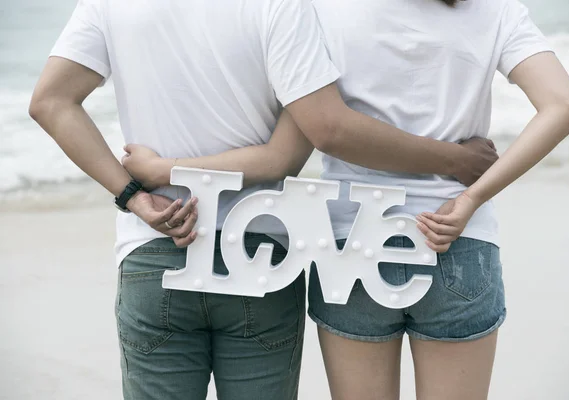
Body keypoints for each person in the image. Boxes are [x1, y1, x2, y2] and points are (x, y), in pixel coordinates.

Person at [29, 0, 498, 399]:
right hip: (259, 257)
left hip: (156, 251)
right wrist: (453, 159)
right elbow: (287, 155)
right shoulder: (283, 6)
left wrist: (135, 193)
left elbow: (50, 102)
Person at [119, 0, 569, 399]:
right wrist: (474, 193)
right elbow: (563, 106)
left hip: (350, 245)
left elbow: (319, 133)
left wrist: (165, 168)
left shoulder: (322, 8)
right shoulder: (492, 9)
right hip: (456, 236)